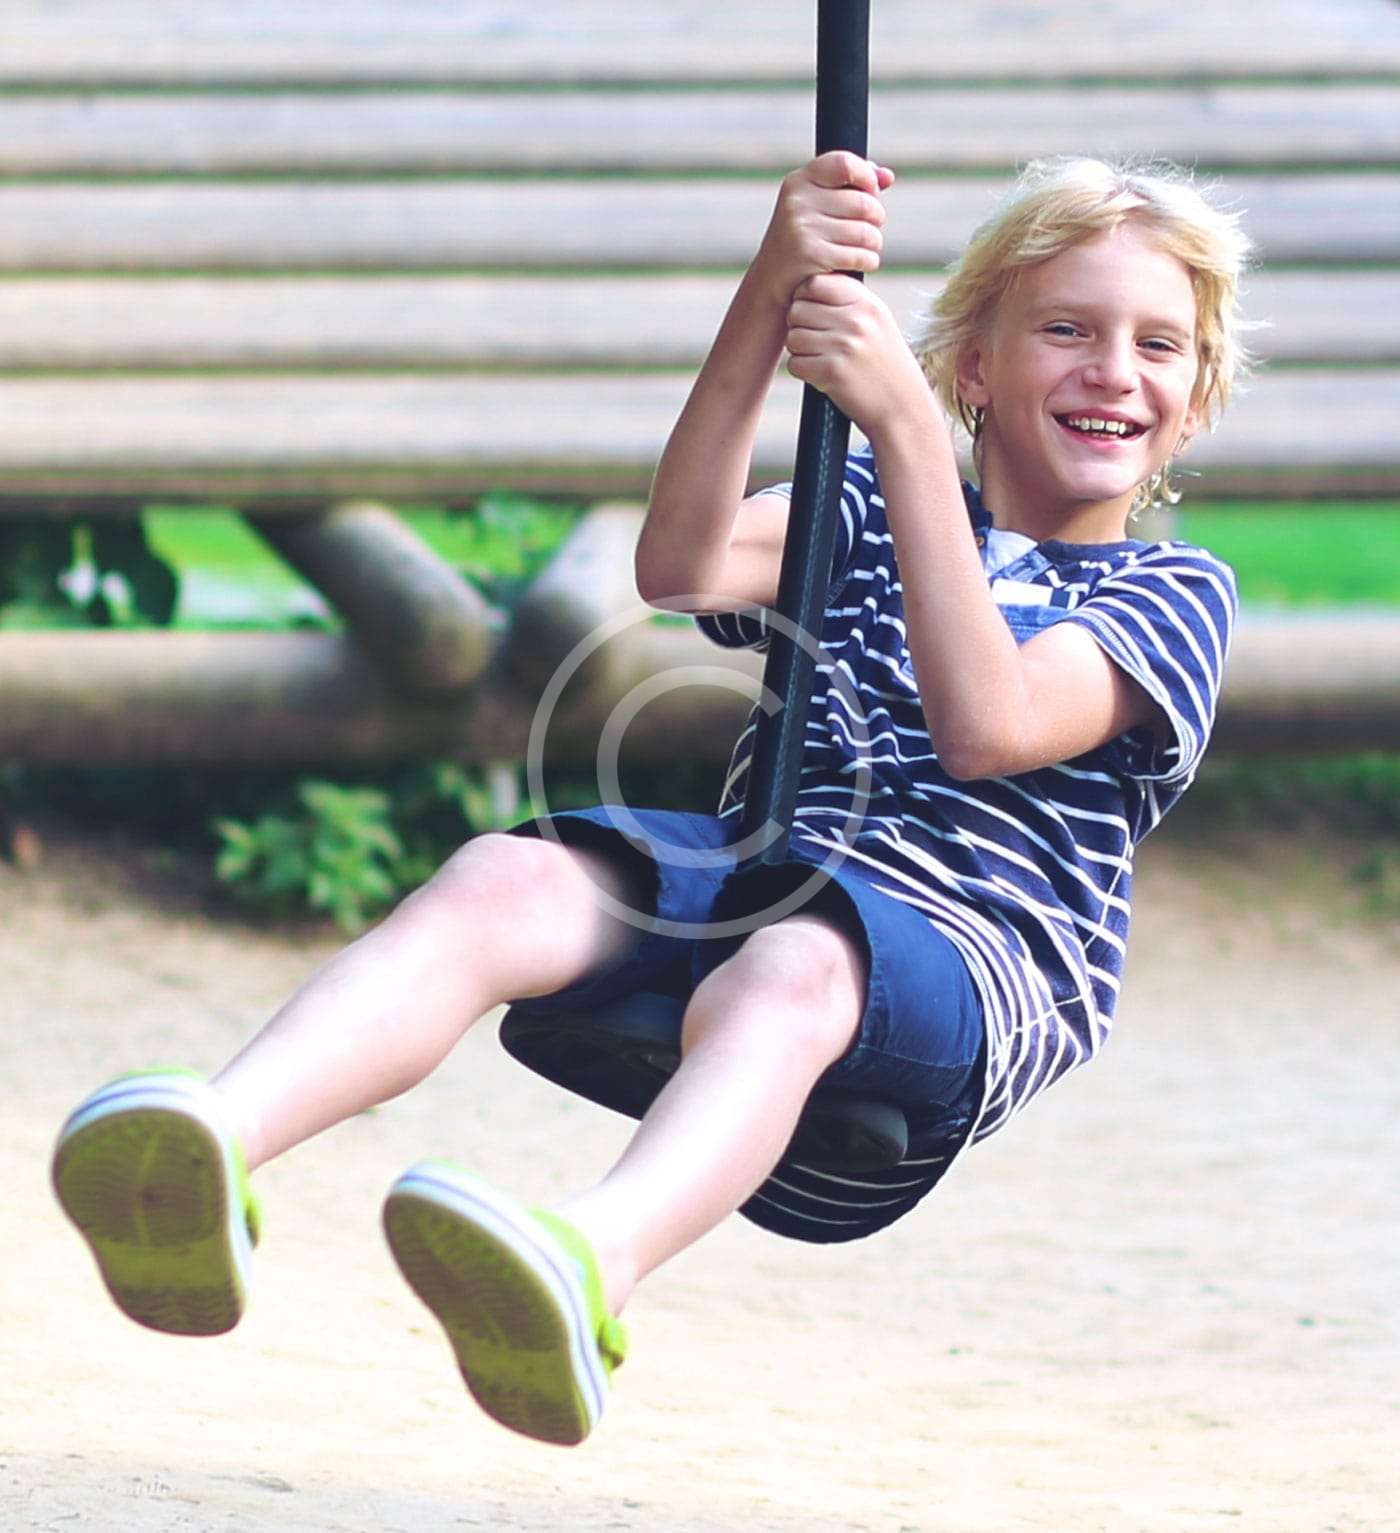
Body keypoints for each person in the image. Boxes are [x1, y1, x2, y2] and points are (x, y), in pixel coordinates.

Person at [51, 150, 1249, 1449]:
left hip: (966, 962)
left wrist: (903, 427)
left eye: (1158, 346)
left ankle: (587, 1268)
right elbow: (679, 564)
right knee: (507, 877)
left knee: (794, 958)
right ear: (975, 365)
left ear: (1194, 402)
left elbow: (990, 725)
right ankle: (206, 1149)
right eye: (1066, 330)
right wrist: (771, 289)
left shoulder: (1173, 596)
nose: (1113, 369)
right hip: (766, 867)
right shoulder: (856, 503)